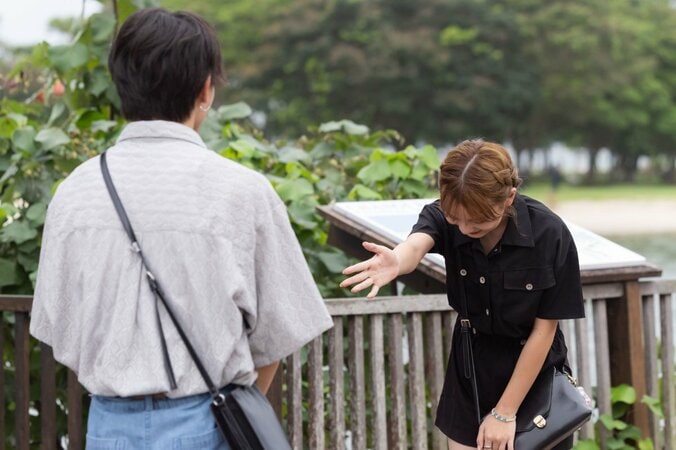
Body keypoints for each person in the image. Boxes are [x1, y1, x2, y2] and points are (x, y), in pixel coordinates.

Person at [29, 8, 333, 449]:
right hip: (211, 426)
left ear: (120, 86)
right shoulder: (243, 191)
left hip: (108, 428)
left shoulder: (74, 193)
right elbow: (277, 336)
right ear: (205, 88)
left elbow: (59, 329)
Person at [341, 139, 584, 450]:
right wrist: (397, 261)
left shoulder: (549, 233)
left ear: (509, 197)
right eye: (456, 219)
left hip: (533, 367)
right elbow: (417, 244)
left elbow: (544, 330)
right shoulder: (444, 213)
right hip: (471, 360)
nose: (466, 227)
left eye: (479, 222)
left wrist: (505, 413)